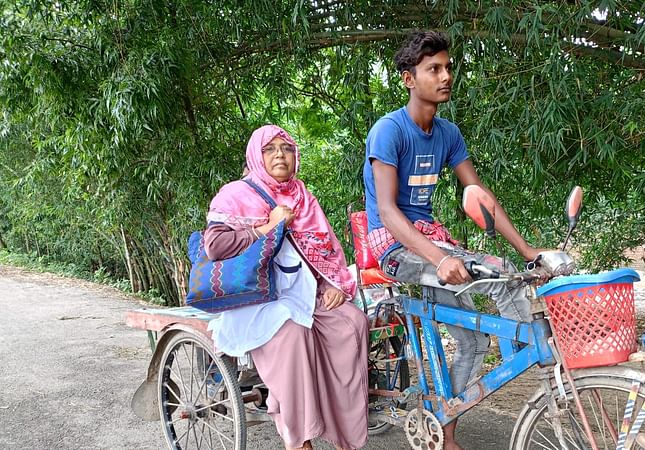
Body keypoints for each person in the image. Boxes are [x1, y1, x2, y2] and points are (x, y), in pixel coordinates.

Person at [363, 31, 547, 449]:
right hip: (394, 248)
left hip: (431, 244)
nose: (446, 76)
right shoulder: (388, 131)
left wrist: (528, 251)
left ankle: (445, 431)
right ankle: (529, 349)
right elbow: (390, 214)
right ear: (410, 78)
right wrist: (440, 259)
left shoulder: (447, 133)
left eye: (448, 67)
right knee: (492, 276)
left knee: (477, 328)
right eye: (434, 69)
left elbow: (482, 199)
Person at [204, 125, 368, 450]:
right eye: (270, 148)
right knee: (295, 334)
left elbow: (325, 246)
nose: (280, 154)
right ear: (256, 156)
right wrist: (268, 225)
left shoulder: (302, 196)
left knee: (352, 324)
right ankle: (299, 438)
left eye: (287, 148)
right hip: (258, 296)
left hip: (304, 290)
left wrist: (332, 281)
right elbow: (215, 246)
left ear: (296, 157)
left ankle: (343, 433)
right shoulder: (237, 194)